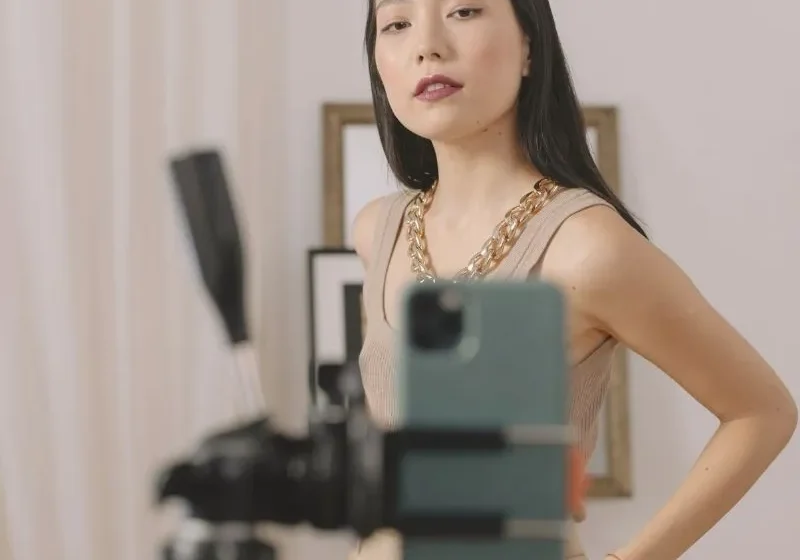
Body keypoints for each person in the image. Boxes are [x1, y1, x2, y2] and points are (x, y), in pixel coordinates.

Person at [349, 0, 798, 558]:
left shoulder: (586, 248)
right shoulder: (377, 230)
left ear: (529, 46)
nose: (427, 46)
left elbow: (762, 412)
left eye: (464, 10)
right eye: (396, 24)